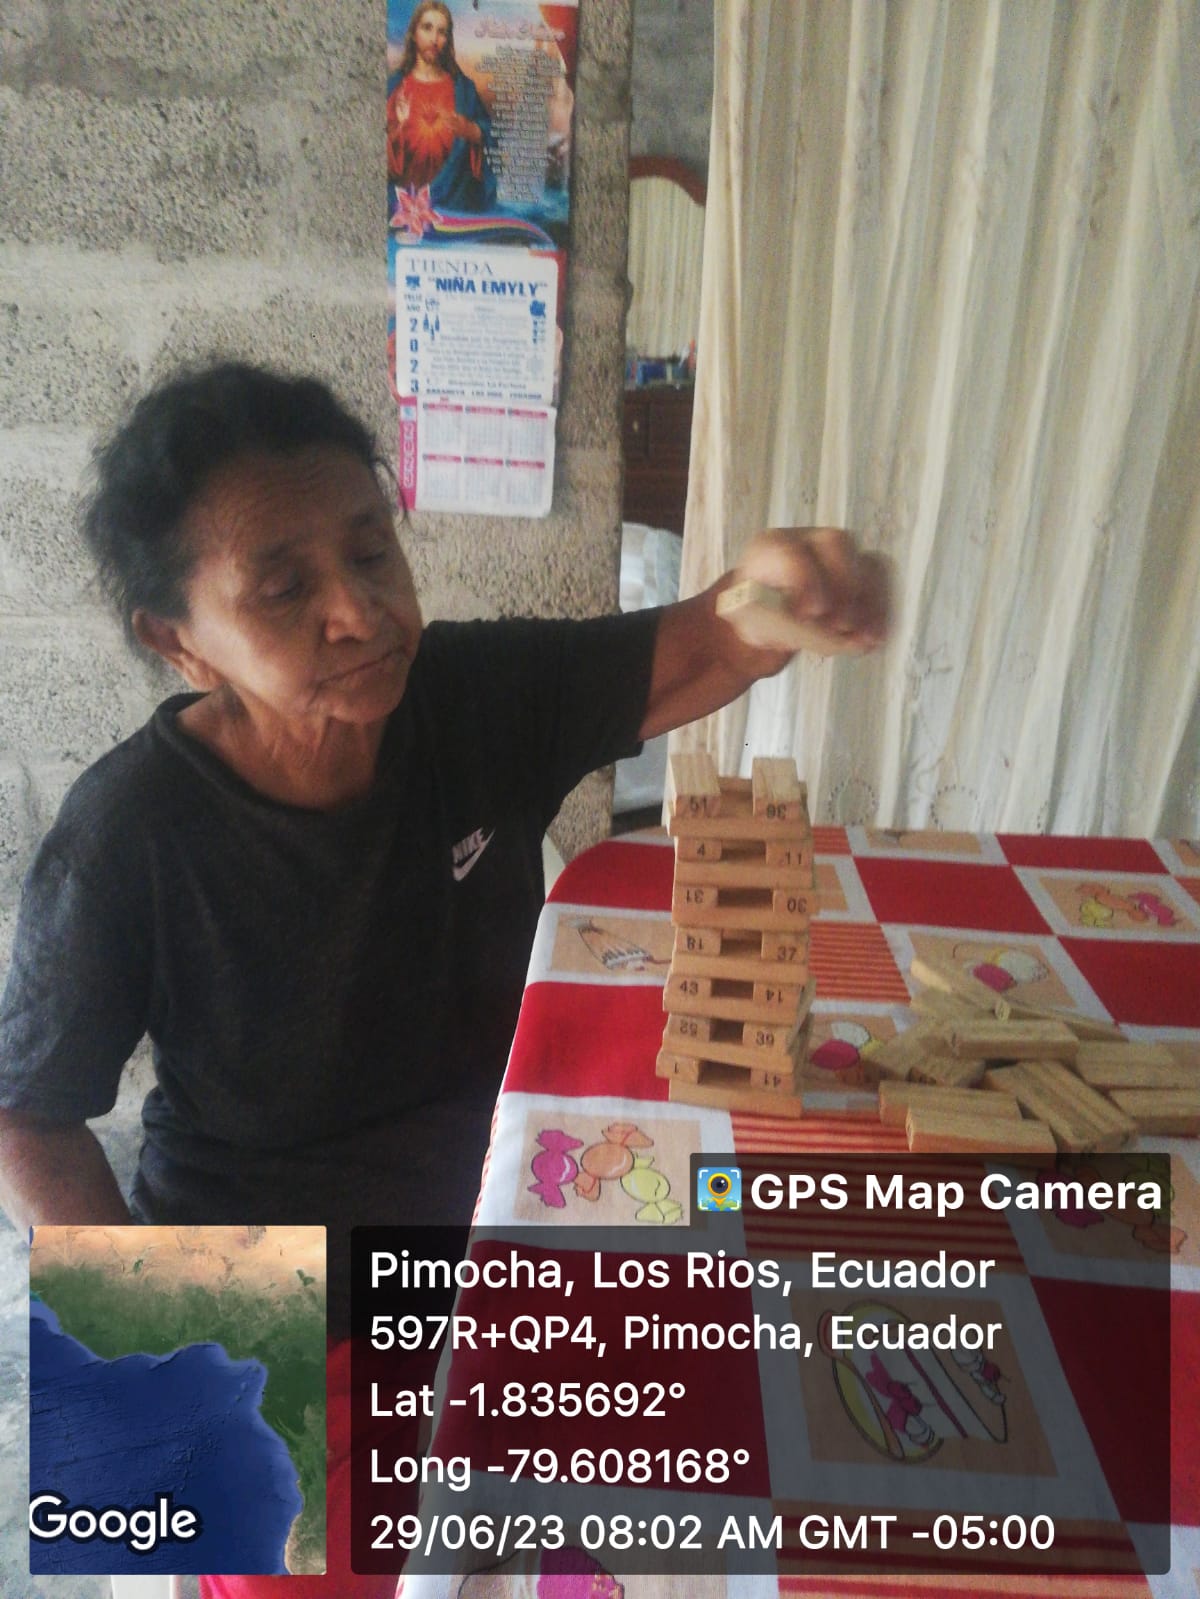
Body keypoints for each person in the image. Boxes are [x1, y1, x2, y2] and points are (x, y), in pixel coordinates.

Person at [0, 360, 890, 1595]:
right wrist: (150, 1347)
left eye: (372, 552)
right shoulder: (127, 837)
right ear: (179, 642)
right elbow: (27, 1113)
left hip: (506, 1212)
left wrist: (776, 593)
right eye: (284, 588)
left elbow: (702, 646)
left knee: (770, 1469)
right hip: (271, 1285)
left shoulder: (469, 698)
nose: (358, 611)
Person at [387, 1, 496, 211]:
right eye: (427, 28)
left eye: (442, 32)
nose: (434, 39)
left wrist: (473, 131)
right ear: (414, 33)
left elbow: (492, 135)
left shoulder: (464, 90)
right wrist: (398, 129)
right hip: (404, 209)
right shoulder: (393, 89)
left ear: (448, 40)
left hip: (454, 208)